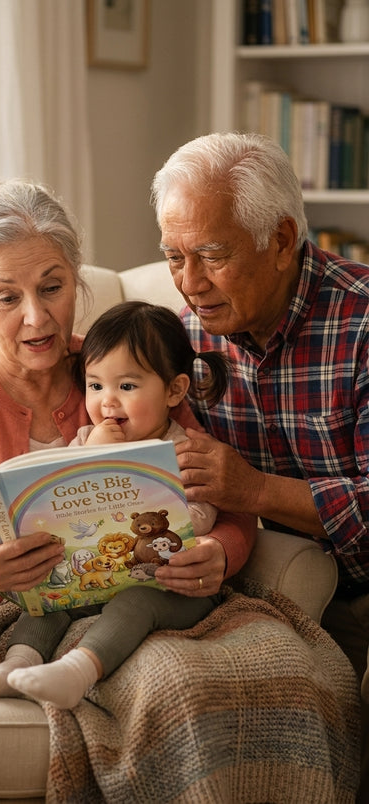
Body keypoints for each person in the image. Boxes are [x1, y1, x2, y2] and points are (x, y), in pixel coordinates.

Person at [0, 178, 255, 634]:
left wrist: (219, 549)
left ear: (75, 281)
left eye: (52, 288)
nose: (37, 317)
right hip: (15, 627)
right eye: (7, 297)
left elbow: (228, 498)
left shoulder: (123, 372)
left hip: (136, 614)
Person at [151, 130, 369, 799]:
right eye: (173, 257)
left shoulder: (361, 323)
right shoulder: (183, 339)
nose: (189, 284)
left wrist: (253, 489)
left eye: (212, 255)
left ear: (280, 242)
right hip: (260, 585)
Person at [0, 300, 230, 708]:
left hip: (169, 587)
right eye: (95, 386)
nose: (107, 402)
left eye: (126, 387)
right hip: (95, 577)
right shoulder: (83, 440)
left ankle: (77, 671)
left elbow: (199, 518)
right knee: (49, 596)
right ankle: (18, 663)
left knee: (136, 603)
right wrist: (89, 459)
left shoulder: (184, 452)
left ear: (174, 390)